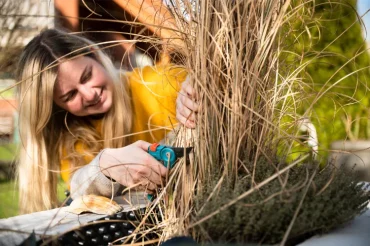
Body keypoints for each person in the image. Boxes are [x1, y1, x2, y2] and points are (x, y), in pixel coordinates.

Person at [16, 29, 198, 214]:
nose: (90, 94)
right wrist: (104, 165)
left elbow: (196, 79)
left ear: (96, 56)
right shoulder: (71, 135)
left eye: (87, 76)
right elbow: (78, 187)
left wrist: (194, 87)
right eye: (70, 95)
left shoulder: (153, 83)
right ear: (58, 106)